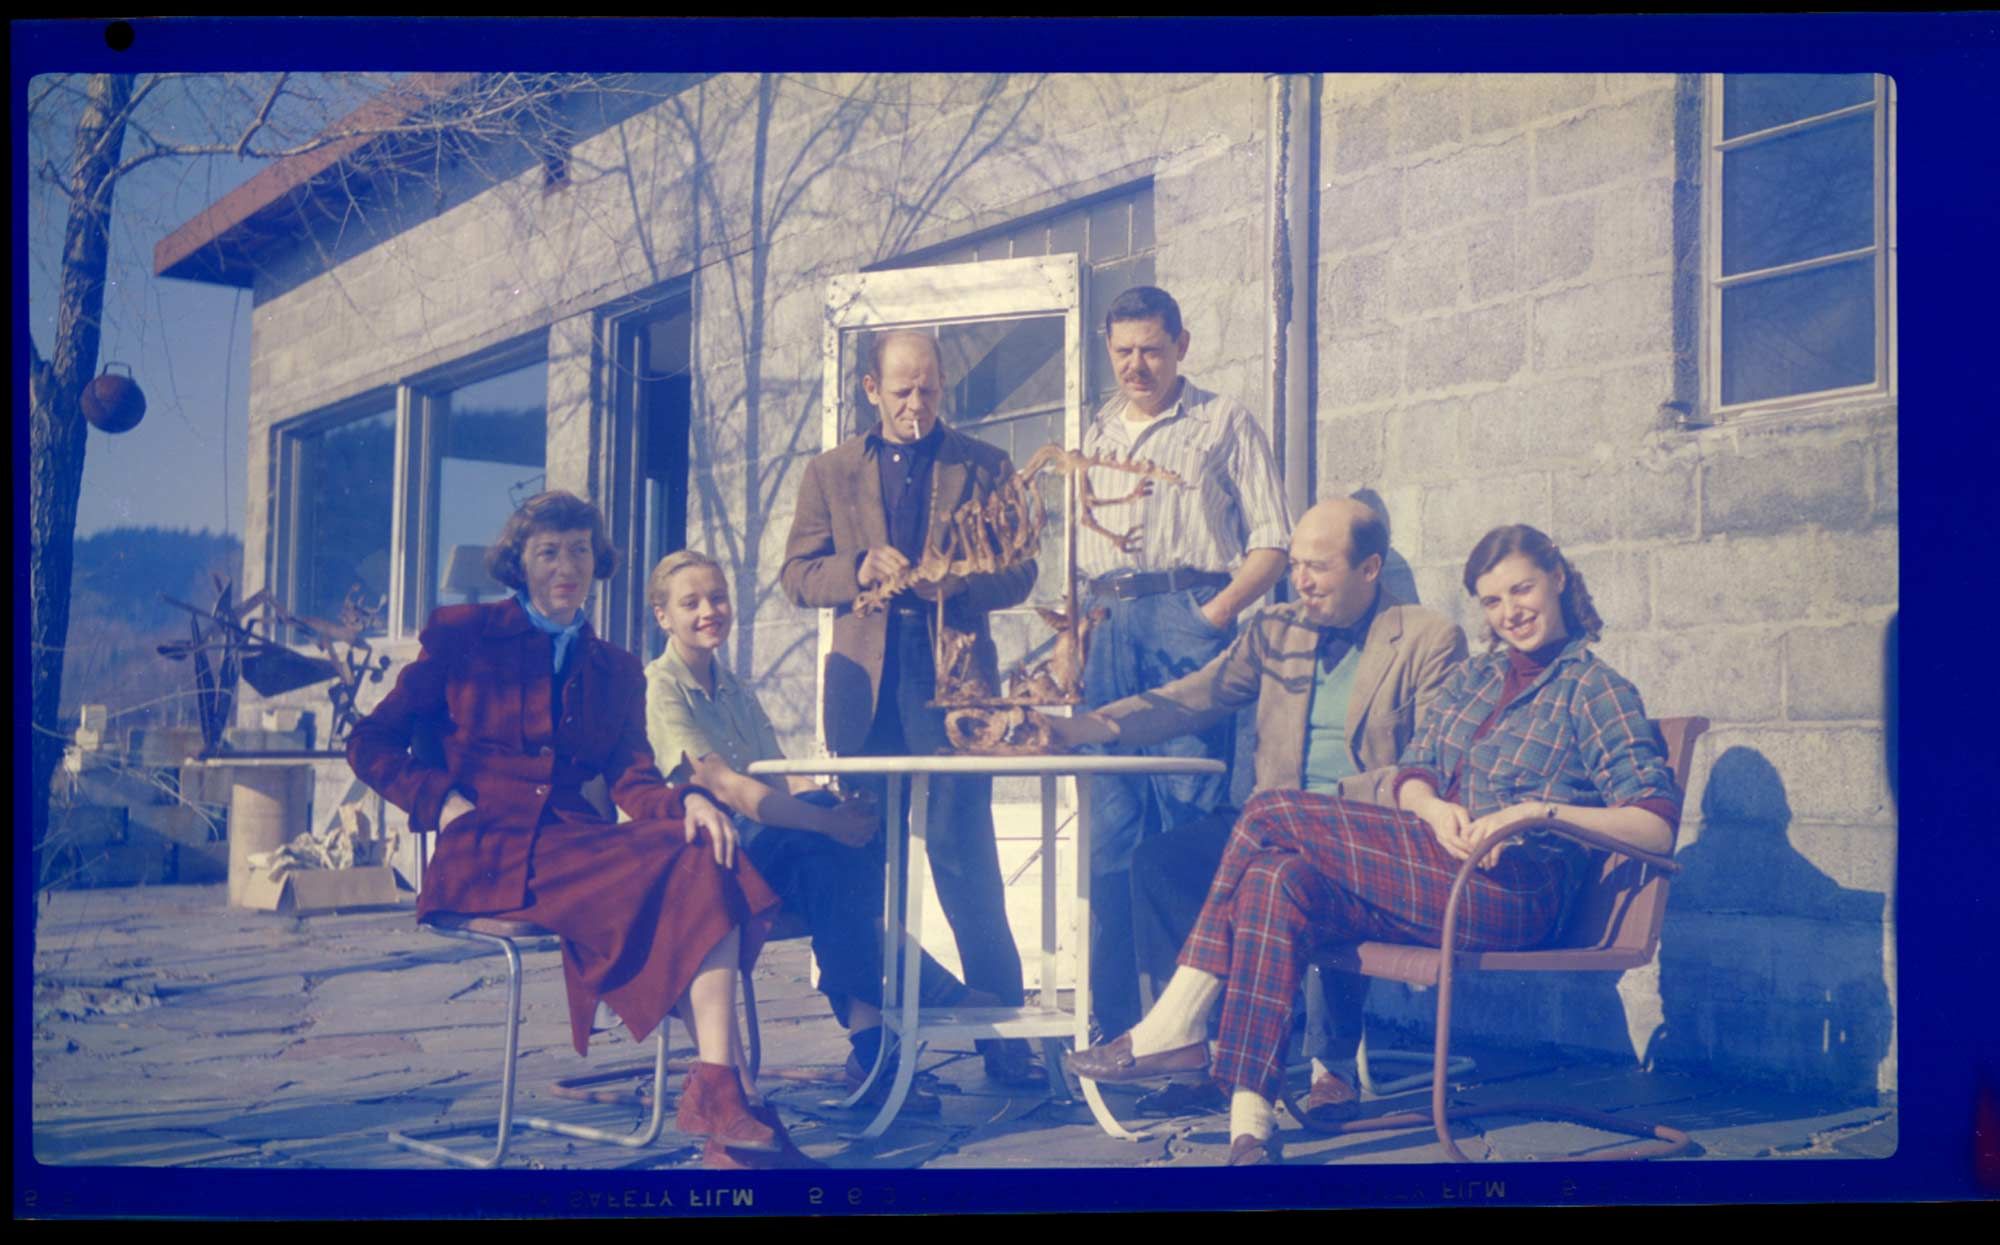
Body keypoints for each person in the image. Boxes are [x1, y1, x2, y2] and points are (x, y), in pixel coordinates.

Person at [1065, 524, 1683, 1166]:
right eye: (1492, 602)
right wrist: (1432, 804)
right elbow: (1413, 771)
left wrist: (1539, 812)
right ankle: (1252, 1128)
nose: (1510, 613)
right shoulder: (1476, 679)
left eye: (1521, 590)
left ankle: (1178, 1022)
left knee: (1271, 809)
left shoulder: (1596, 688)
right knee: (1277, 878)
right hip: (1439, 869)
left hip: (1514, 892)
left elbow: (1656, 824)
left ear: (1558, 578)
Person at [347, 491, 806, 1172]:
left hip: (573, 844)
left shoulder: (614, 668)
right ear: (520, 561)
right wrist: (439, 802)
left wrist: (687, 802)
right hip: (486, 851)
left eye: (580, 551)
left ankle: (719, 1092)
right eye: (549, 551)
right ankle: (730, 1104)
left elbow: (631, 776)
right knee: (690, 869)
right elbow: (369, 740)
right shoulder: (463, 634)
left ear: (598, 561)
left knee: (703, 849)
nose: (567, 565)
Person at [1048, 496, 1465, 1121]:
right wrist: (1093, 727)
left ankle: (1331, 1063)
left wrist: (1338, 805)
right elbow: (1196, 697)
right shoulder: (1276, 631)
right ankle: (1195, 1044)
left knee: (1299, 871)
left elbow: (1435, 760)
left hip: (1367, 831)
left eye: (1318, 568)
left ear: (1370, 569)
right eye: (1295, 564)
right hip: (1267, 821)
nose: (1300, 581)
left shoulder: (1429, 638)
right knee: (1162, 862)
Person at [779, 328, 1045, 1087]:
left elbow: (1021, 572)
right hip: (864, 692)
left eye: (928, 389)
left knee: (969, 866)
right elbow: (796, 575)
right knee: (861, 868)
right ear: (871, 390)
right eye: (901, 390)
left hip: (954, 688)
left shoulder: (983, 465)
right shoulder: (829, 472)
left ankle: (1004, 1041)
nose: (916, 404)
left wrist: (958, 580)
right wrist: (858, 566)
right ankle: (876, 1049)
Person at [644, 549, 998, 1114]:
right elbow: (729, 788)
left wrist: (838, 806)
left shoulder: (732, 686)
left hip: (757, 849)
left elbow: (780, 773)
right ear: (663, 617)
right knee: (821, 844)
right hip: (702, 861)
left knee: (847, 840)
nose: (710, 611)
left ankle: (872, 1043)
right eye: (691, 603)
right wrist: (824, 819)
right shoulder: (660, 687)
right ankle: (895, 1010)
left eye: (718, 597)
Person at [1076, 284, 1295, 1038]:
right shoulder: (1096, 432)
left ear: (1183, 346)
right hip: (1105, 627)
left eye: (1153, 350)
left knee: (1185, 817)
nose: (1138, 365)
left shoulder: (1223, 421)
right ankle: (1115, 1023)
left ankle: (1193, 1028)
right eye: (1125, 351)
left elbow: (1273, 541)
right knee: (1109, 826)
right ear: (1110, 349)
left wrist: (1210, 616)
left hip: (1185, 616)